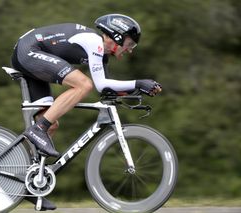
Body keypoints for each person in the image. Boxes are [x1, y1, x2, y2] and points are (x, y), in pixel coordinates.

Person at [11, 14, 162, 210]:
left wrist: (138, 89)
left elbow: (106, 88)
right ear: (117, 37)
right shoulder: (94, 42)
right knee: (83, 84)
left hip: (32, 54)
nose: (130, 50)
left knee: (51, 123)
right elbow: (98, 85)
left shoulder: (101, 54)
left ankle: (30, 184)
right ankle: (39, 129)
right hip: (29, 50)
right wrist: (139, 82)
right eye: (130, 43)